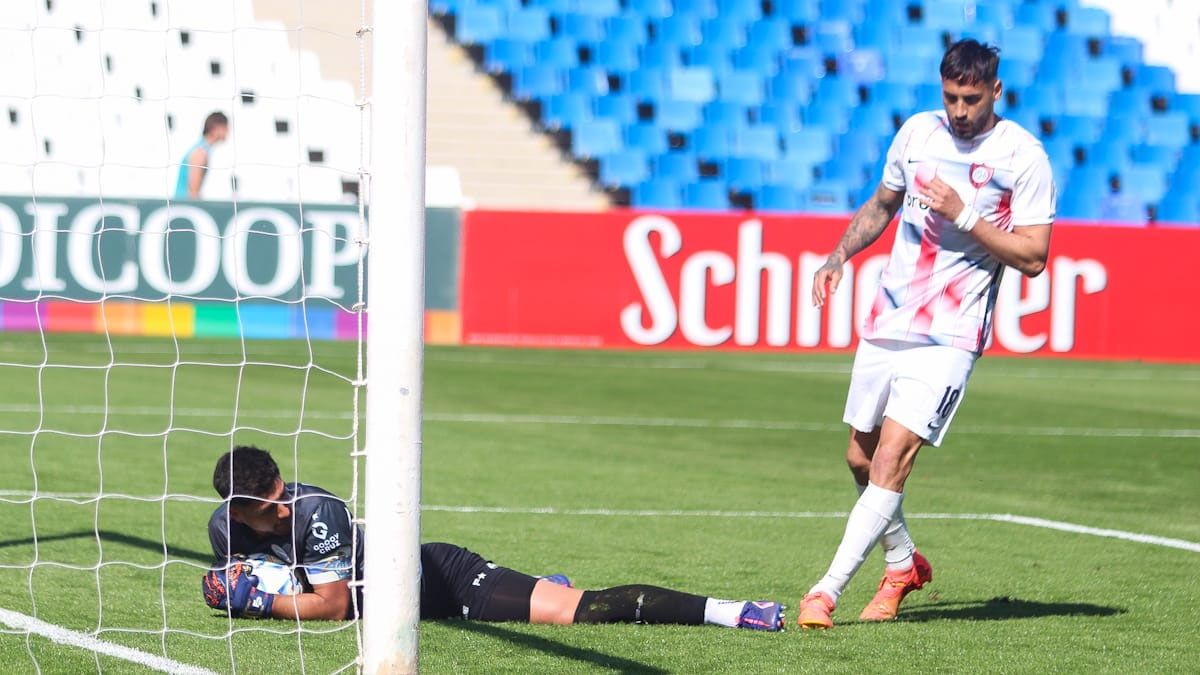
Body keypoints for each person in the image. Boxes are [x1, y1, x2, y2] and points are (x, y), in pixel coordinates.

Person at [798, 39, 1056, 629]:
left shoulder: (1023, 156)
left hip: (952, 331)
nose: (960, 111)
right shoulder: (917, 133)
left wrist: (966, 214)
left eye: (970, 99)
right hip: (890, 318)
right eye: (950, 98)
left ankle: (826, 591)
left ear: (995, 91)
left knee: (892, 458)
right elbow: (882, 203)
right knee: (859, 459)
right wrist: (837, 255)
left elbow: (1036, 256)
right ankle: (904, 563)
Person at [202, 446, 784, 631]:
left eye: (283, 496)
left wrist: (256, 603)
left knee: (581, 612)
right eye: (269, 509)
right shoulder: (222, 529)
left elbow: (333, 606)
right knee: (548, 598)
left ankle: (732, 611)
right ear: (238, 511)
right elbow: (249, 574)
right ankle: (537, 585)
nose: (283, 511)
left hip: (445, 583)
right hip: (409, 605)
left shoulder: (319, 512)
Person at [174, 111, 228, 200]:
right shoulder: (199, 152)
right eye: (226, 127)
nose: (228, 131)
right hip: (184, 206)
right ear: (215, 127)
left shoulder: (202, 149)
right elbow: (194, 192)